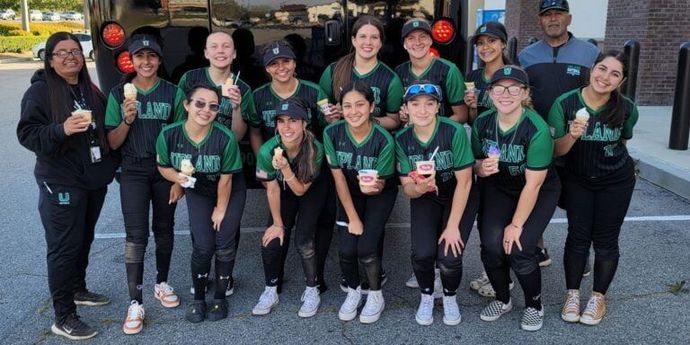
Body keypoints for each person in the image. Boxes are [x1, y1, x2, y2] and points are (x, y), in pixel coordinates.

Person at [17, 32, 118, 340]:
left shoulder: (90, 89)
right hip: (60, 181)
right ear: (50, 59)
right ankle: (63, 316)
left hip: (92, 182)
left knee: (84, 238)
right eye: (62, 53)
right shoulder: (40, 91)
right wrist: (61, 129)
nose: (71, 56)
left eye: (75, 51)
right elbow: (27, 134)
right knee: (63, 248)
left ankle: (77, 288)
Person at [548, 51, 638, 325]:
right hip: (578, 179)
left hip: (616, 180)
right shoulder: (565, 103)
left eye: (615, 74)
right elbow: (554, 151)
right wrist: (572, 135)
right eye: (602, 68)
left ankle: (598, 297)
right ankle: (572, 294)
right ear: (592, 69)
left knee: (606, 240)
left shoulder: (627, 108)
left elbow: (623, 141)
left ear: (621, 81)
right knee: (578, 236)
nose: (605, 77)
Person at [104, 35, 186, 334]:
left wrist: (179, 180)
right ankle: (135, 301)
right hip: (133, 170)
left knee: (164, 229)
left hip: (164, 170)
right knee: (135, 237)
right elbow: (112, 142)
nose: (146, 62)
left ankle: (162, 283)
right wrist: (126, 120)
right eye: (140, 56)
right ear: (132, 60)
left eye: (152, 56)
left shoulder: (172, 93)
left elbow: (180, 139)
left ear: (160, 60)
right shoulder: (117, 94)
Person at [472, 66, 560, 331]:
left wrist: (516, 225)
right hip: (499, 186)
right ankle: (503, 298)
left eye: (514, 88)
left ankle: (534, 305)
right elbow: (476, 161)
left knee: (519, 248)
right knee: (491, 246)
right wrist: (480, 168)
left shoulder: (537, 129)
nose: (506, 94)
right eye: (499, 88)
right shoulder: (483, 122)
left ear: (525, 93)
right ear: (490, 93)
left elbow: (533, 186)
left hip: (537, 189)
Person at [249, 41, 337, 294]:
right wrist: (265, 164)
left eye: (286, 61)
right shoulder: (260, 95)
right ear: (267, 68)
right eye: (274, 64)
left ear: (295, 63)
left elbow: (326, 125)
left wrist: (331, 118)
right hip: (278, 164)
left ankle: (316, 280)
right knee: (277, 227)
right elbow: (255, 131)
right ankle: (273, 284)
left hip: (311, 164)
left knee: (317, 227)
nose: (281, 68)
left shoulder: (314, 90)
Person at [518, 0, 600, 267]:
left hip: (579, 139)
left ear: (569, 18)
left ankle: (580, 251)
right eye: (547, 15)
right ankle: (539, 246)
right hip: (538, 140)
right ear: (540, 20)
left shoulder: (589, 53)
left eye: (558, 14)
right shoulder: (526, 55)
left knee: (578, 200)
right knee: (535, 192)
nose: (553, 19)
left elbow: (599, 94)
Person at [155, 84, 245, 323]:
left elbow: (227, 179)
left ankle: (220, 296)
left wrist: (221, 208)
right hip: (200, 190)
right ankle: (198, 299)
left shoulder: (224, 137)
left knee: (224, 241)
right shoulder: (169, 134)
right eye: (200, 103)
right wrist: (177, 180)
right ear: (187, 105)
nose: (206, 110)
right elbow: (163, 166)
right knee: (203, 245)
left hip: (229, 190)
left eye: (213, 106)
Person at [178, 31, 253, 295]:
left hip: (227, 166)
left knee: (227, 228)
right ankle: (201, 275)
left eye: (227, 47)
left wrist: (235, 107)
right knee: (202, 233)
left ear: (234, 54)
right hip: (197, 168)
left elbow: (239, 135)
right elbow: (179, 122)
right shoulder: (190, 79)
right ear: (206, 53)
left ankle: (225, 278)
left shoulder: (242, 87)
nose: (221, 51)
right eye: (214, 46)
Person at [395, 82, 475, 325]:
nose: (422, 110)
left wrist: (452, 227)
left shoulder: (453, 131)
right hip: (426, 196)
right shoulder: (403, 138)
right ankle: (427, 295)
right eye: (415, 104)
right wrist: (419, 187)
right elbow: (408, 188)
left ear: (438, 107)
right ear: (406, 108)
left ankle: (449, 296)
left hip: (457, 194)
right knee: (422, 253)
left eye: (429, 104)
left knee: (449, 256)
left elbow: (465, 182)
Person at [323, 80, 397, 324]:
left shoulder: (384, 138)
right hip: (349, 192)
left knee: (366, 248)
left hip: (379, 194)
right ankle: (353, 292)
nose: (353, 111)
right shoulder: (331, 133)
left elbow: (382, 184)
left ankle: (376, 294)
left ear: (371, 106)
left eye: (359, 105)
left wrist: (374, 187)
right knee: (346, 250)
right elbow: (339, 180)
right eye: (347, 106)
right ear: (340, 109)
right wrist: (353, 218)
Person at [251, 99, 327, 317]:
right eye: (281, 121)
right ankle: (270, 290)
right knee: (273, 239)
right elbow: (272, 189)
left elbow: (302, 190)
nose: (286, 127)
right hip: (282, 191)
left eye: (293, 120)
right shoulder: (268, 150)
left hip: (309, 190)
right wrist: (277, 224)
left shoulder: (315, 148)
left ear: (304, 123)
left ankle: (313, 290)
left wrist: (284, 167)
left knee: (304, 240)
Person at [464, 20, 516, 299]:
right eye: (481, 43)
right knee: (487, 217)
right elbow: (474, 123)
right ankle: (492, 271)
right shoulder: (473, 76)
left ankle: (503, 276)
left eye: (491, 41)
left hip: (511, 156)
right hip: (484, 155)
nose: (486, 47)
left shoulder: (513, 74)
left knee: (503, 219)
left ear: (503, 44)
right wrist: (472, 109)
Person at [319, 15, 405, 131]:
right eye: (362, 36)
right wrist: (330, 115)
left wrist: (365, 119)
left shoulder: (391, 79)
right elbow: (321, 108)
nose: (368, 42)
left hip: (373, 144)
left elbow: (394, 121)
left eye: (374, 37)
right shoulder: (333, 70)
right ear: (354, 40)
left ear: (380, 43)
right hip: (340, 139)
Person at [395, 18, 468, 124]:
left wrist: (432, 126)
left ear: (431, 40)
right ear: (404, 44)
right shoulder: (399, 72)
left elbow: (461, 115)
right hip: (409, 136)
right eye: (411, 38)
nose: (417, 42)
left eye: (423, 37)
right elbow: (396, 113)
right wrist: (403, 116)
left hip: (442, 137)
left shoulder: (449, 70)